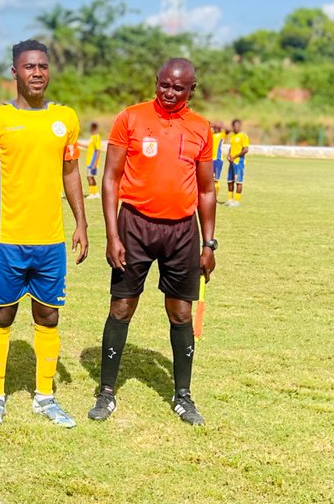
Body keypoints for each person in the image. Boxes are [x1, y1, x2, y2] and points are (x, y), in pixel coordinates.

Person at [0, 40, 88, 429]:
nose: (36, 73)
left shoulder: (65, 119)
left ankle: (44, 397)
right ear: (14, 72)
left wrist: (81, 223)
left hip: (50, 239)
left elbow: (71, 172)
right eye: (28, 67)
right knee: (3, 315)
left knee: (48, 315)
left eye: (42, 66)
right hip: (7, 238)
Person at [94, 58, 217, 426]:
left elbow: (207, 190)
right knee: (121, 308)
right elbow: (111, 179)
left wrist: (208, 245)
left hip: (182, 231)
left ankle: (183, 396)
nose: (170, 92)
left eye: (179, 88)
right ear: (156, 82)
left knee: (180, 313)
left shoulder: (201, 128)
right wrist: (113, 235)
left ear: (191, 90)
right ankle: (106, 392)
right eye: (165, 85)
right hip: (135, 226)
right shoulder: (130, 118)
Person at [225, 118, 250, 206]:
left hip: (239, 162)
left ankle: (237, 201)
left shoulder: (243, 136)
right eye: (234, 126)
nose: (236, 127)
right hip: (231, 162)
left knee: (238, 182)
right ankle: (230, 199)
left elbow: (246, 149)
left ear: (240, 126)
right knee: (230, 181)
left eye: (238, 126)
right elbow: (231, 147)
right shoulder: (232, 136)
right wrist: (228, 155)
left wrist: (235, 156)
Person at [84, 121, 103, 199]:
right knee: (91, 176)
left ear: (93, 128)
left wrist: (95, 163)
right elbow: (88, 147)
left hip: (92, 161)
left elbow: (98, 150)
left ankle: (92, 193)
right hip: (89, 161)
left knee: (89, 176)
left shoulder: (96, 137)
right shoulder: (92, 137)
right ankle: (96, 193)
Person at [210, 121, 227, 194]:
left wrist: (221, 125)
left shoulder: (222, 135)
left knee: (216, 179)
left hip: (218, 159)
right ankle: (211, 195)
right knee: (210, 179)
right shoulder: (211, 135)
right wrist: (212, 124)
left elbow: (228, 130)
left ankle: (215, 197)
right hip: (210, 160)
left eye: (217, 127)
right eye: (215, 127)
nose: (216, 128)